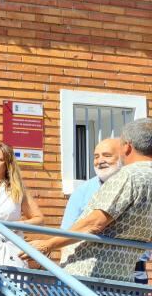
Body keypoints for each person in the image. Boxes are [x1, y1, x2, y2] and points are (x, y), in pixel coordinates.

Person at [25, 118, 152, 282]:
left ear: (127, 147)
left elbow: (95, 223)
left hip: (88, 276)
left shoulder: (128, 176)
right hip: (122, 277)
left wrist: (47, 244)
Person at [59, 138, 148, 282]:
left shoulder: (140, 185)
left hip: (132, 269)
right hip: (86, 268)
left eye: (107, 155)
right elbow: (66, 230)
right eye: (96, 156)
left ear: (123, 156)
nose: (100, 161)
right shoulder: (83, 190)